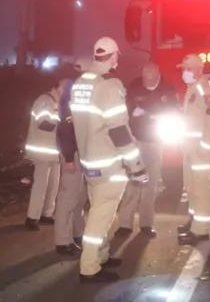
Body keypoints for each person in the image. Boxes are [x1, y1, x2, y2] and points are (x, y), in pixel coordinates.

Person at [62, 37, 148, 283]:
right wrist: (136, 165)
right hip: (109, 163)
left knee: (99, 212)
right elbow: (119, 130)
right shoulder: (110, 85)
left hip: (89, 160)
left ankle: (102, 254)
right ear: (113, 57)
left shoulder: (81, 82)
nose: (117, 59)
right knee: (101, 216)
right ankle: (89, 268)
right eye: (116, 56)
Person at [116, 62, 178, 238]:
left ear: (158, 73)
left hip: (155, 140)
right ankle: (125, 224)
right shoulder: (134, 86)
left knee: (151, 183)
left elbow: (174, 110)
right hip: (135, 139)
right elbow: (124, 105)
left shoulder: (168, 89)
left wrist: (154, 114)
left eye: (151, 76)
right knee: (132, 181)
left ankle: (146, 224)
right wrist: (131, 111)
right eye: (145, 75)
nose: (147, 79)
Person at [176, 54, 210, 246]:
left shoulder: (207, 91)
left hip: (201, 151)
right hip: (191, 150)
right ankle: (194, 222)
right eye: (183, 68)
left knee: (202, 190)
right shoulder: (193, 89)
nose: (184, 72)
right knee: (192, 188)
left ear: (199, 70)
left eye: (188, 68)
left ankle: (201, 231)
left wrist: (205, 149)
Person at [53, 57, 92, 256]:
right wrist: (68, 158)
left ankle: (77, 234)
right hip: (72, 152)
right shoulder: (74, 94)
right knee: (68, 197)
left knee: (78, 196)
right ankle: (63, 242)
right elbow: (66, 129)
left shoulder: (80, 92)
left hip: (80, 151)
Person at [24, 81, 66, 231]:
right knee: (40, 185)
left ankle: (47, 213)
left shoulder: (58, 102)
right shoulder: (44, 100)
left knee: (53, 184)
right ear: (57, 85)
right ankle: (32, 217)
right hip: (42, 152)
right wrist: (64, 121)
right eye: (65, 86)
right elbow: (44, 124)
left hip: (54, 153)